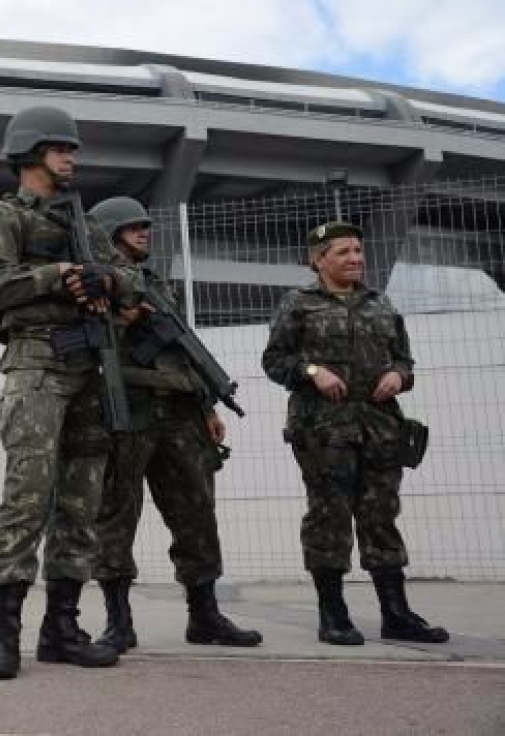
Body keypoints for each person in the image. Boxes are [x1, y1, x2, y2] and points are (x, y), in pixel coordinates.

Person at [0, 106, 127, 680]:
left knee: (81, 505)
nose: (72, 157)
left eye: (73, 149)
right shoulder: (3, 215)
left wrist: (105, 279)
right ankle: (2, 633)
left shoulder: (87, 226)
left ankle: (62, 628)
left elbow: (127, 277)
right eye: (62, 148)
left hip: (93, 368)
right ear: (32, 152)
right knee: (27, 499)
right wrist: (59, 273)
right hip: (36, 366)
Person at [87, 196, 263, 652]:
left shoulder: (158, 284)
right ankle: (118, 622)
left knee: (196, 514)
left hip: (181, 412)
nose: (144, 233)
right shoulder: (94, 282)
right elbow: (85, 343)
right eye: (132, 228)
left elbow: (183, 352)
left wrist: (207, 406)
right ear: (108, 236)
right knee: (116, 516)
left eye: (145, 226)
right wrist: (121, 319)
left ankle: (204, 616)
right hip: (127, 408)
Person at [262, 221, 448, 645]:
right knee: (329, 520)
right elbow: (274, 361)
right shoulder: (298, 304)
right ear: (319, 259)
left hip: (380, 431)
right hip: (324, 433)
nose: (355, 259)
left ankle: (396, 614)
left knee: (381, 518)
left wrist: (399, 377)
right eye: (343, 252)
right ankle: (334, 615)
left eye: (358, 251)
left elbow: (405, 360)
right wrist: (312, 372)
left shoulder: (380, 304)